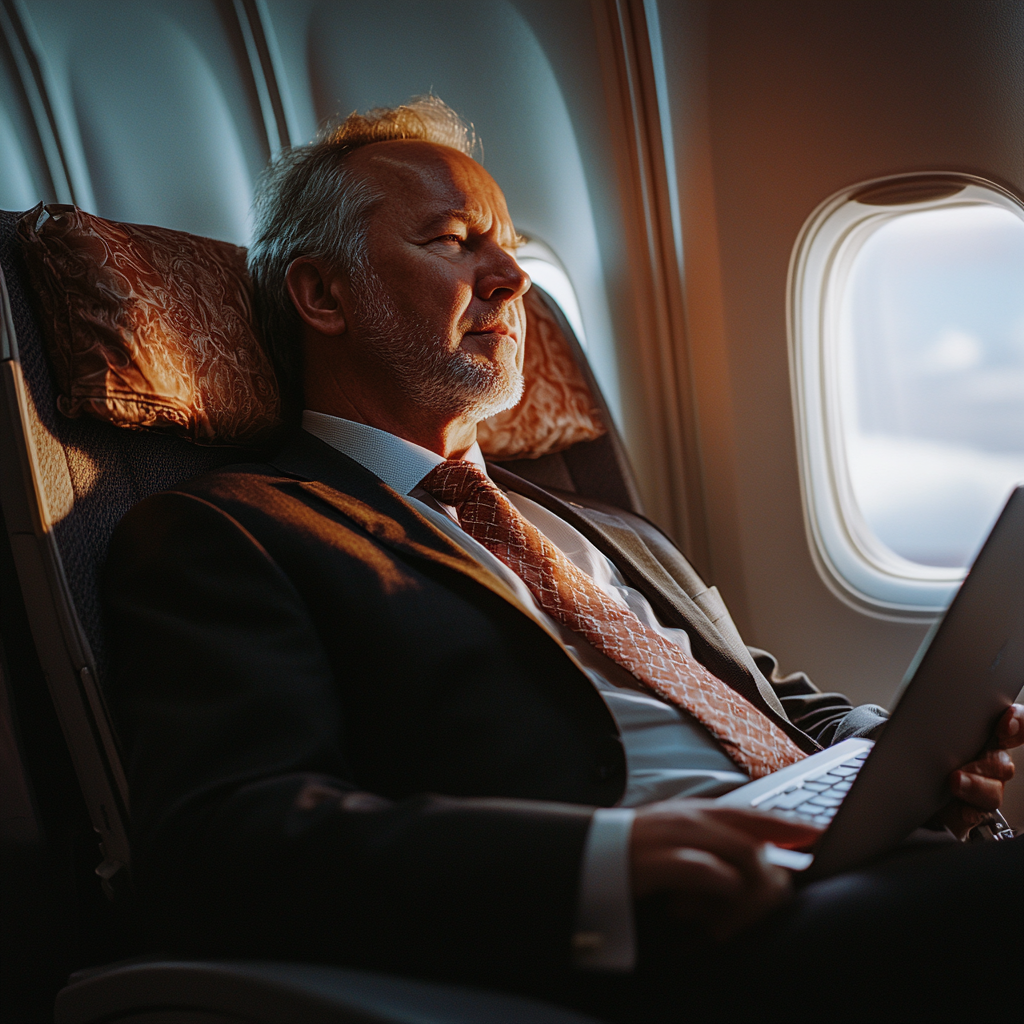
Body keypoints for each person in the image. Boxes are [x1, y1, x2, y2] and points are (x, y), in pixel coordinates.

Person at [103, 98, 1022, 1023]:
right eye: (454, 241)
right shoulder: (236, 532)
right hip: (656, 939)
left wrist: (902, 753)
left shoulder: (609, 530)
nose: (511, 277)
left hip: (834, 860)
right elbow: (225, 840)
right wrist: (603, 866)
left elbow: (764, 694)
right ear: (324, 296)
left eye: (506, 245)